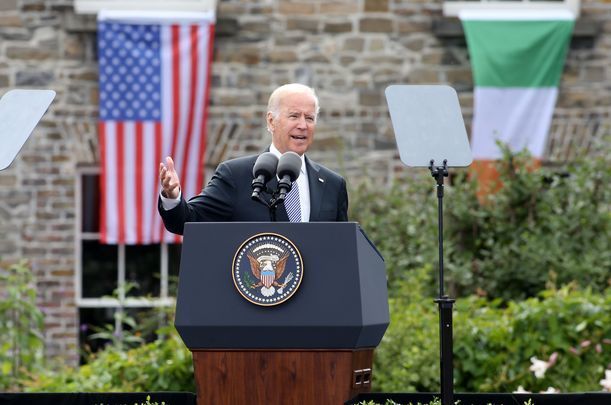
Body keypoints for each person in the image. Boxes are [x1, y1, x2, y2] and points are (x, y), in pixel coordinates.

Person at [158, 83, 348, 235]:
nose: (303, 125)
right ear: (271, 121)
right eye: (294, 116)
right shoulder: (237, 175)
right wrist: (172, 197)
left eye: (310, 118)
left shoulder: (332, 184)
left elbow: (342, 245)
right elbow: (188, 221)